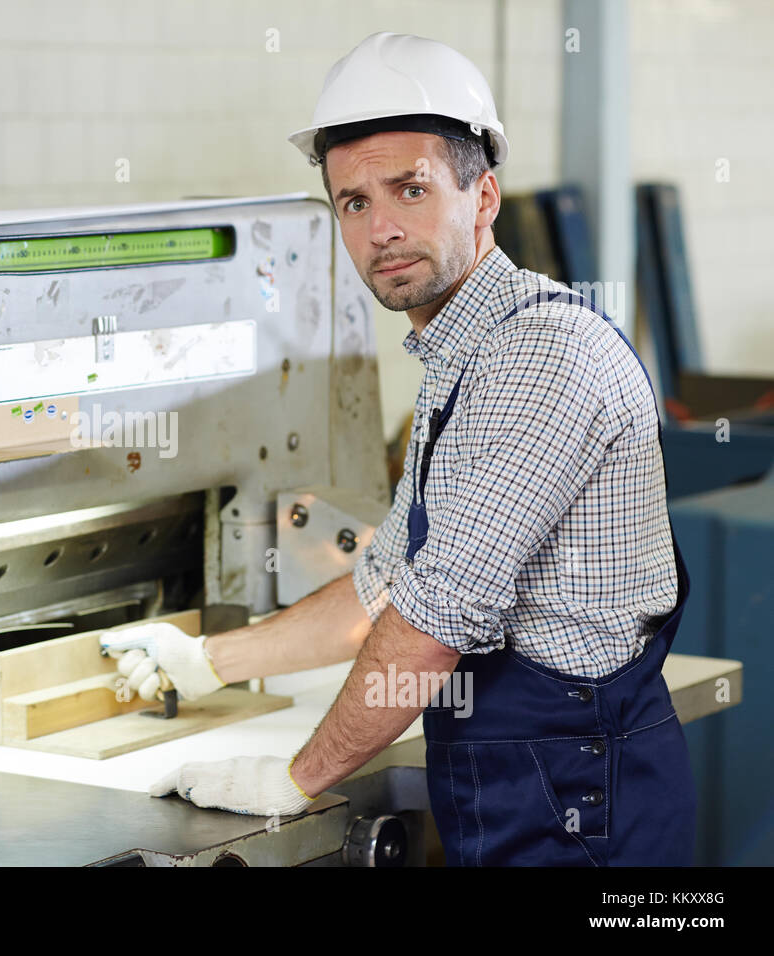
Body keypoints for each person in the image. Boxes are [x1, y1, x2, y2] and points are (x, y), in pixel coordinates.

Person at [101, 32, 696, 866]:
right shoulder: (460, 355)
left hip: (581, 801)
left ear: (483, 196)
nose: (380, 229)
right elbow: (388, 590)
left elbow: (435, 615)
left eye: (410, 190)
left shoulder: (541, 356)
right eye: (353, 202)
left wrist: (299, 779)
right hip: (524, 783)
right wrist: (205, 660)